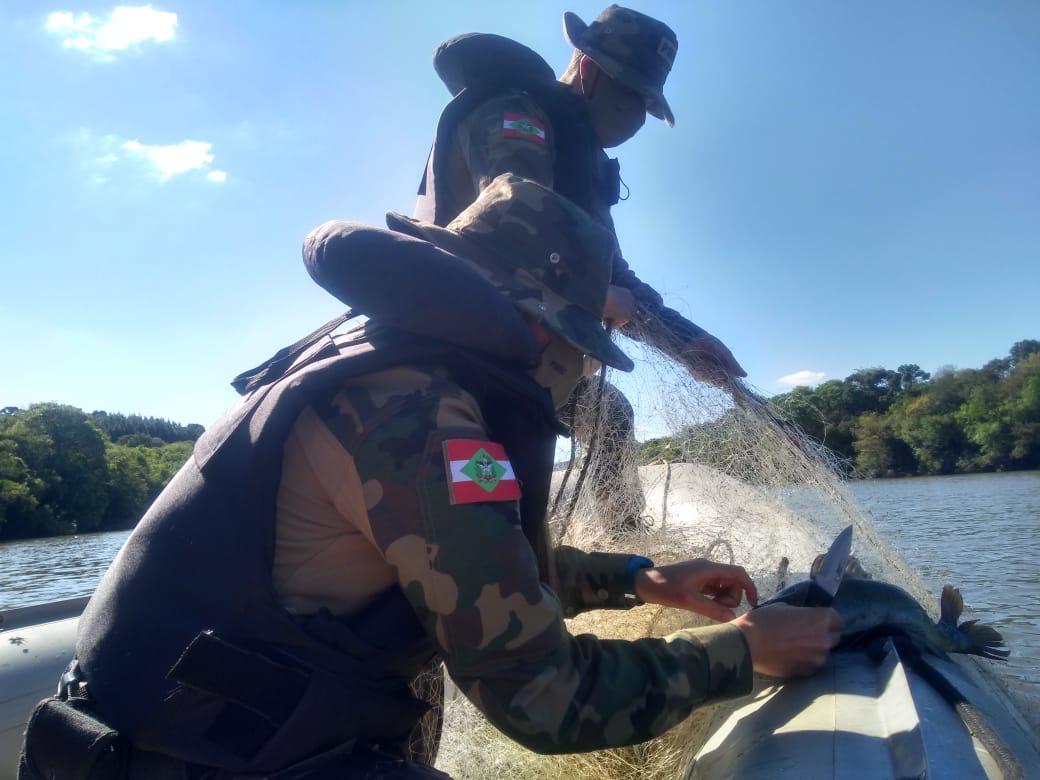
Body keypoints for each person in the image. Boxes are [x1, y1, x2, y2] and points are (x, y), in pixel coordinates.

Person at [19, 176, 840, 779]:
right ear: (535, 322)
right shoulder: (416, 418)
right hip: (186, 760)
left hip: (173, 737)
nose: (574, 368)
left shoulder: (375, 364)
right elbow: (542, 697)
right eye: (577, 342)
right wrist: (742, 653)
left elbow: (470, 574)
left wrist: (642, 579)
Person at [409, 6, 745, 533]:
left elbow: (620, 279)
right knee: (513, 518)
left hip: (531, 351)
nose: (637, 116)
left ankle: (625, 548)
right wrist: (597, 296)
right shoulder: (514, 113)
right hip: (462, 351)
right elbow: (506, 211)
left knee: (608, 416)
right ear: (588, 69)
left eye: (648, 105)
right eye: (632, 95)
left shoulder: (578, 153)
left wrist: (689, 343)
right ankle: (524, 566)